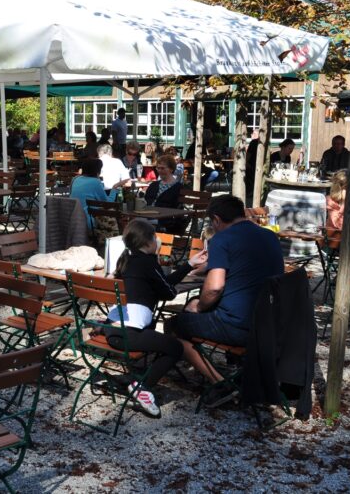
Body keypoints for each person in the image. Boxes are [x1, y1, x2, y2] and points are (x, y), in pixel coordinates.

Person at [169, 195, 284, 406]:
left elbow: (214, 287)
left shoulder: (222, 238)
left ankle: (220, 384)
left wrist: (199, 306)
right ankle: (237, 370)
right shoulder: (269, 236)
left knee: (176, 325)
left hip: (237, 326)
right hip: (270, 324)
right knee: (195, 305)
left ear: (216, 219)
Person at [104, 218, 207, 417]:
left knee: (158, 339)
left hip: (113, 328)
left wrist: (188, 265)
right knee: (175, 347)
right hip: (130, 334)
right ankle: (142, 387)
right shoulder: (148, 263)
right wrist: (186, 267)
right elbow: (168, 293)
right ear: (147, 242)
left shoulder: (126, 259)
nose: (157, 240)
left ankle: (137, 378)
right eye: (155, 237)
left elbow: (161, 285)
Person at [70, 158, 120, 229]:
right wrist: (114, 189)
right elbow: (107, 203)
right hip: (88, 221)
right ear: (97, 170)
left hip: (73, 219)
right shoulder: (95, 182)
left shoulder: (75, 179)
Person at [144, 155, 185, 234]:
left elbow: (176, 209)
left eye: (162, 168)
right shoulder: (153, 185)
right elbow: (145, 202)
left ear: (171, 169)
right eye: (158, 168)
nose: (159, 170)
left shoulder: (178, 187)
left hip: (163, 220)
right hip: (147, 216)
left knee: (140, 224)